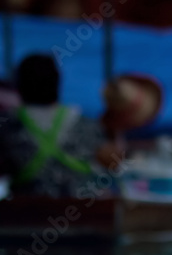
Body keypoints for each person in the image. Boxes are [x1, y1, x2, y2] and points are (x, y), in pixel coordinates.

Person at [0, 54, 115, 197]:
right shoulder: (87, 125)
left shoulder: (9, 125)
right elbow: (111, 163)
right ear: (58, 83)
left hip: (28, 213)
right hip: (82, 211)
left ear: (19, 85)